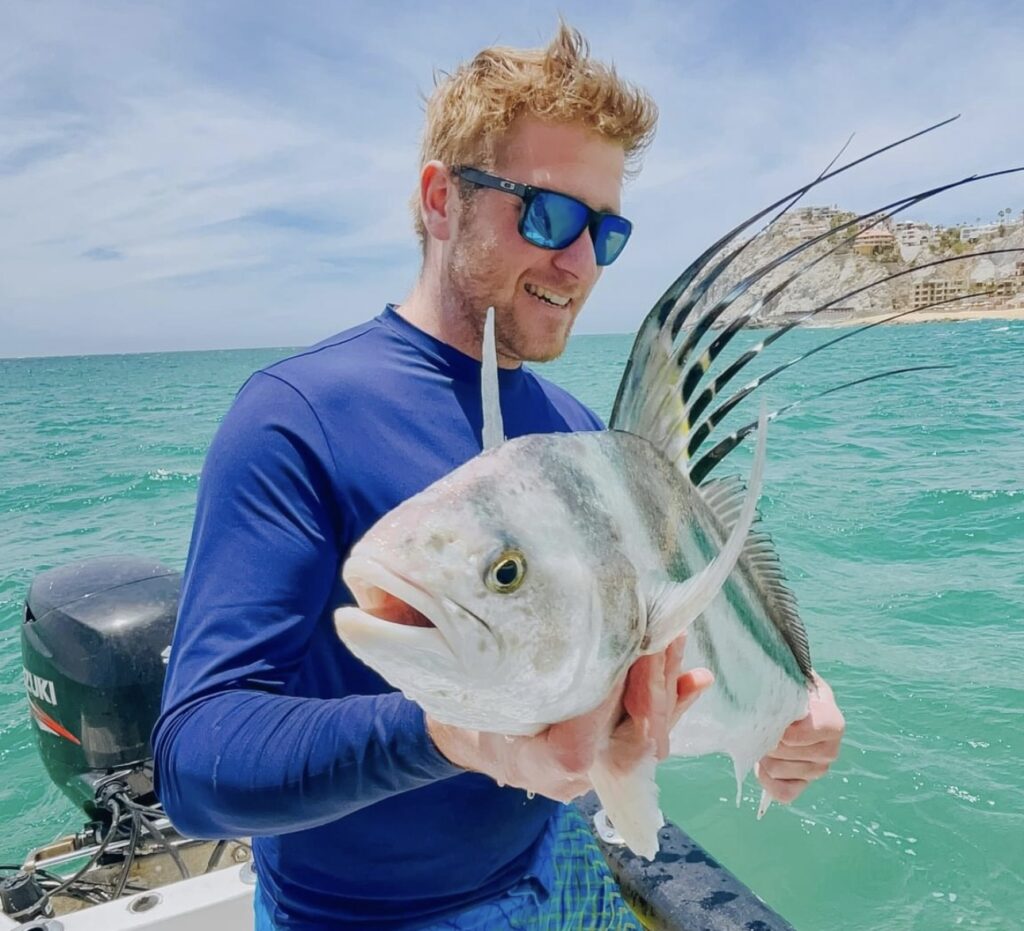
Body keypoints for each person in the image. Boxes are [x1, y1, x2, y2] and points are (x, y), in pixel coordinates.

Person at [153, 23, 844, 931]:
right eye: (549, 214)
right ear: (441, 199)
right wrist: (450, 733)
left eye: (607, 231)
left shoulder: (577, 431)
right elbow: (198, 764)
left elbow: (666, 641)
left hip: (562, 854)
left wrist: (792, 702)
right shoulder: (296, 416)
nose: (580, 261)